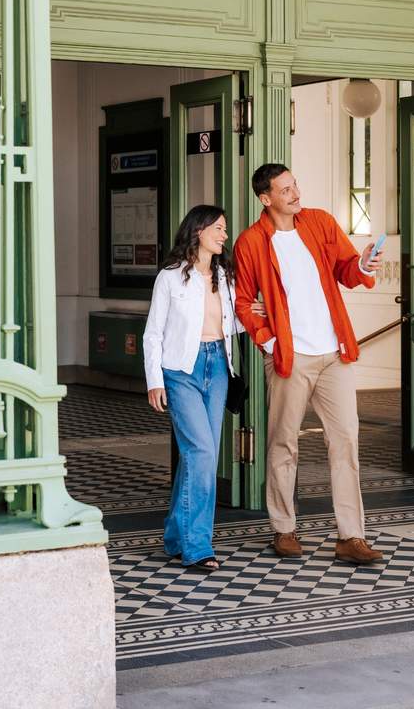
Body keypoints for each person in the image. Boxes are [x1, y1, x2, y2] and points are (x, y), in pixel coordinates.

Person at [233, 163, 385, 564]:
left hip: (334, 354)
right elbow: (244, 303)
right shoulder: (251, 242)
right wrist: (269, 343)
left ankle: (351, 536)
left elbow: (347, 270)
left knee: (346, 441)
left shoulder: (319, 223)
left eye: (295, 184)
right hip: (290, 357)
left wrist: (364, 264)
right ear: (266, 198)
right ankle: (284, 528)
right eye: (285, 189)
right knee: (284, 443)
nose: (295, 193)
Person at [142, 204, 245, 570]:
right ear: (198, 230)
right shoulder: (170, 277)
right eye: (218, 228)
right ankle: (198, 545)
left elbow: (229, 324)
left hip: (217, 367)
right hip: (180, 370)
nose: (224, 235)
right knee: (201, 453)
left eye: (225, 228)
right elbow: (153, 333)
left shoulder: (225, 276)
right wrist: (155, 380)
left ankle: (174, 535)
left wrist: (256, 316)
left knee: (198, 455)